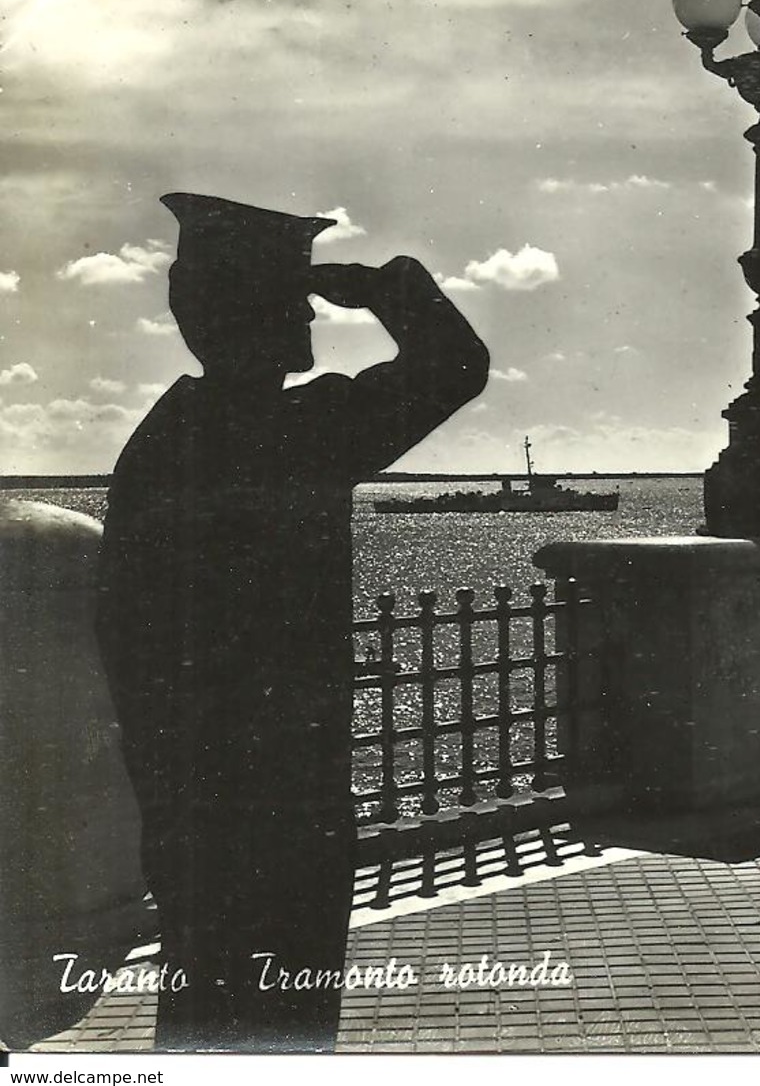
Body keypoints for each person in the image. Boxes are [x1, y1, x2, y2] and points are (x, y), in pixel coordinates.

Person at [95, 193, 489, 1051]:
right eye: (291, 292)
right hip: (276, 785)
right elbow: (456, 366)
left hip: (196, 784)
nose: (307, 310)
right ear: (256, 311)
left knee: (211, 998)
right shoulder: (291, 432)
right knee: (282, 1002)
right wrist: (387, 289)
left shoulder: (172, 434)